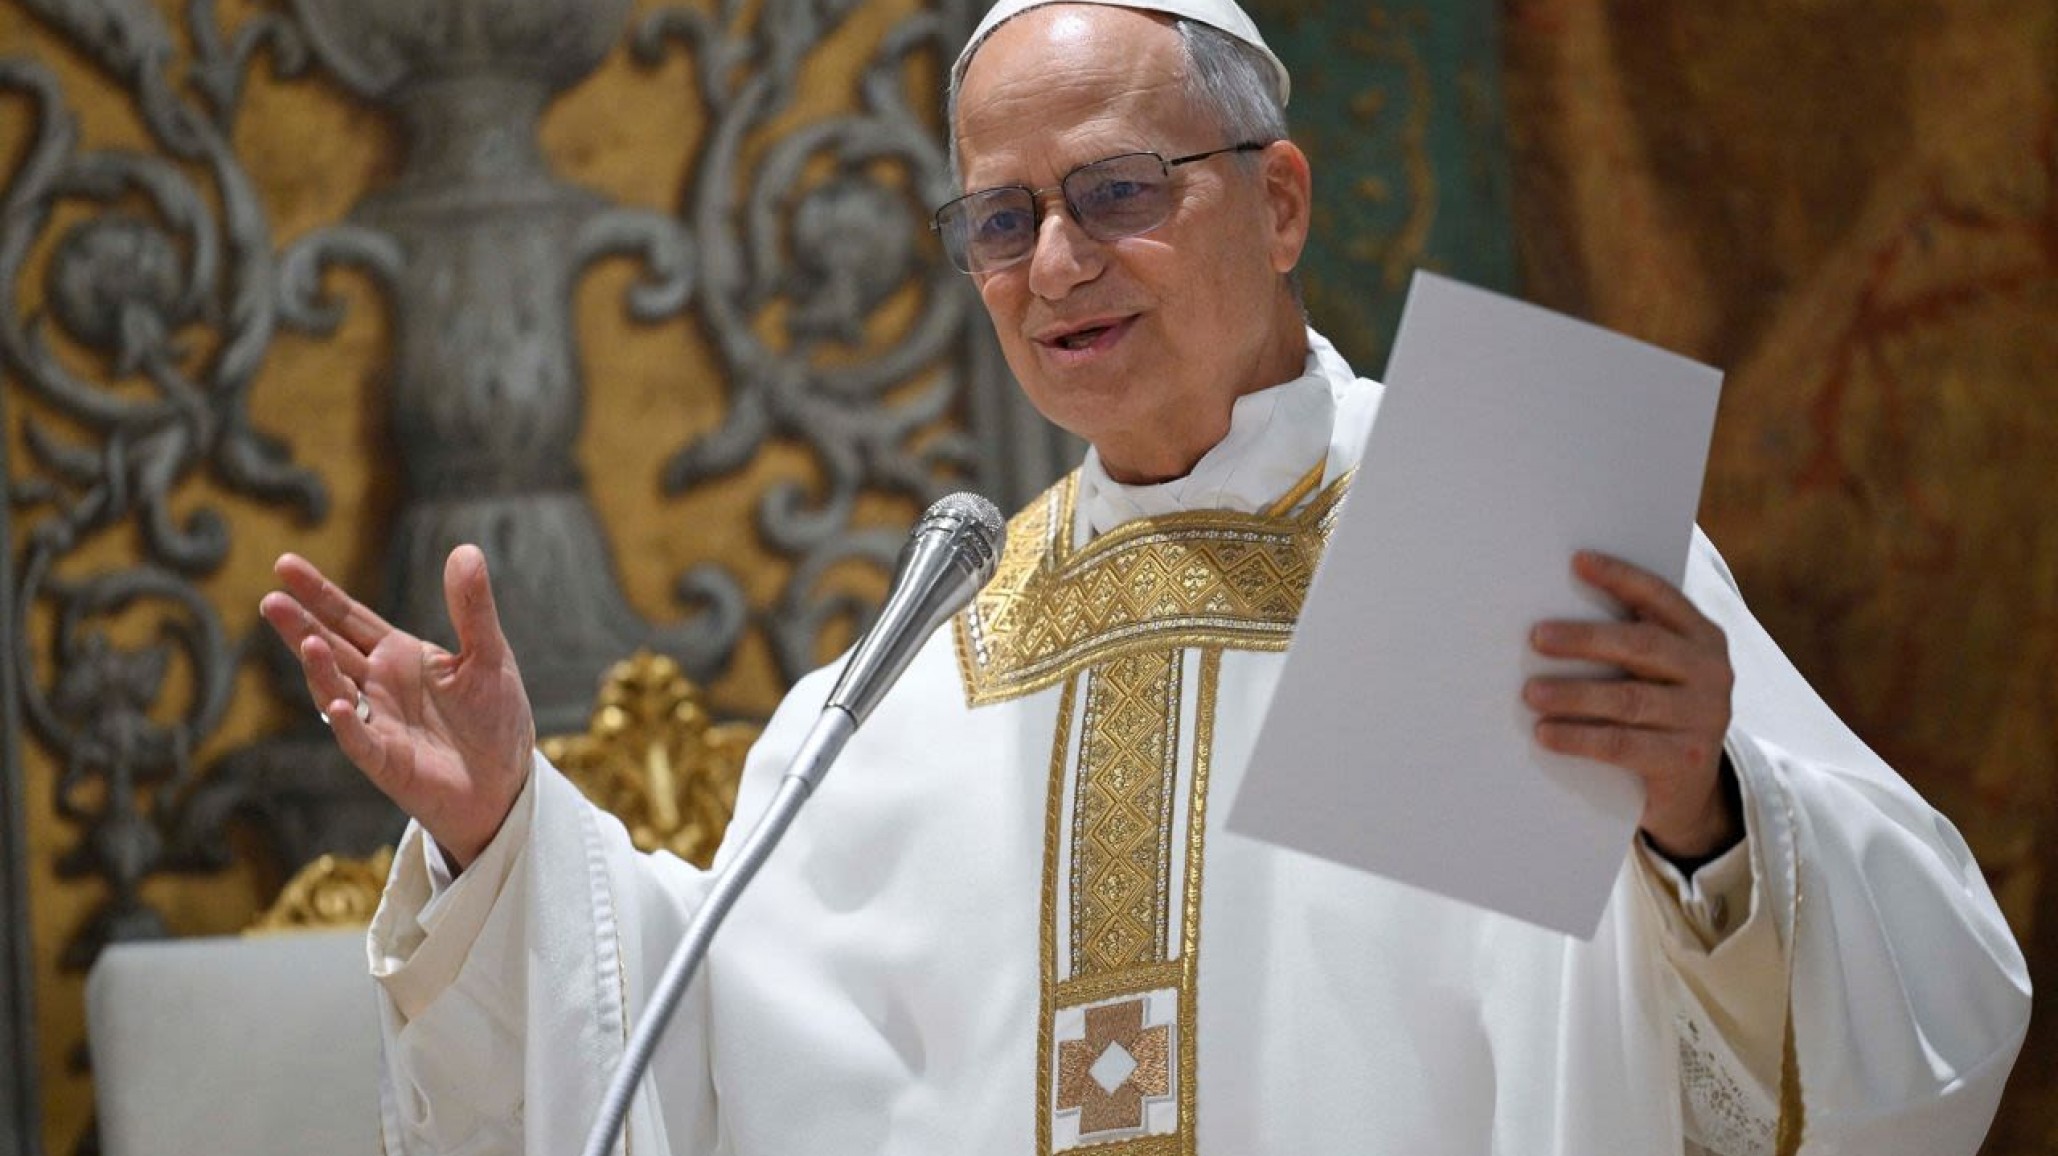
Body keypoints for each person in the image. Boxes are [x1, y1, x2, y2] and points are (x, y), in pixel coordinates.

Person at [260, 0, 2030, 1152]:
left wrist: (1702, 818)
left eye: (1114, 191)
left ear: (1279, 201)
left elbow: (1928, 989)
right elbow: (703, 1058)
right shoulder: (931, 656)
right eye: (1001, 219)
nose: (1054, 265)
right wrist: (503, 841)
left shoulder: (1505, 530)